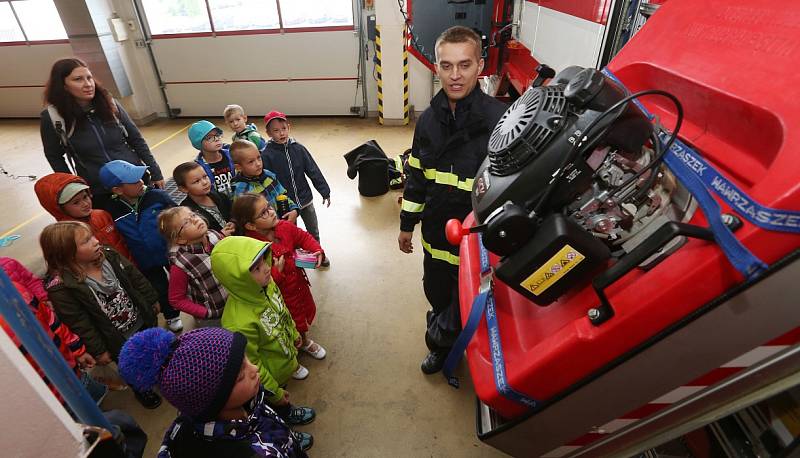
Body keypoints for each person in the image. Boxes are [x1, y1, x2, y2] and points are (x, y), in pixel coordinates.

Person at [398, 26, 508, 374]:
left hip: (476, 241)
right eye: (447, 66)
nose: (455, 75)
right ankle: (444, 332)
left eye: (464, 65)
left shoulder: (499, 120)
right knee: (436, 292)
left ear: (480, 66)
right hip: (435, 234)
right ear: (435, 67)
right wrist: (406, 225)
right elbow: (416, 175)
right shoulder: (428, 120)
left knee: (467, 302)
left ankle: (441, 347)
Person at [118, 327, 312, 457]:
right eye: (239, 377)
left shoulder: (248, 398)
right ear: (212, 401)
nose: (254, 370)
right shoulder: (238, 452)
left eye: (246, 360)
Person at [40, 221, 162, 408]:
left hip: (139, 319)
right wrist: (98, 350)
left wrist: (151, 298)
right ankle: (141, 388)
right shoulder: (62, 288)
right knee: (130, 364)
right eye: (86, 241)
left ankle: (160, 374)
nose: (96, 241)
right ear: (66, 253)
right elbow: (79, 322)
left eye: (93, 236)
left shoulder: (109, 255)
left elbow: (134, 276)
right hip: (114, 338)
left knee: (153, 350)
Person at [210, 236, 316, 425]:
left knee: (285, 396)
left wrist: (293, 332)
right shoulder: (238, 323)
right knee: (274, 409)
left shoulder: (266, 284)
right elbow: (253, 365)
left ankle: (286, 412)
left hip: (283, 363)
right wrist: (274, 393)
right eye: (256, 268)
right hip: (267, 380)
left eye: (263, 261)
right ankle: (286, 428)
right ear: (238, 279)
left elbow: (282, 309)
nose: (267, 268)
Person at [40, 57, 165, 198]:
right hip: (99, 190)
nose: (88, 84)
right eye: (78, 79)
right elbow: (54, 156)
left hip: (135, 180)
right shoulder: (53, 117)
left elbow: (136, 139)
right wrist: (73, 187)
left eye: (89, 78)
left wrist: (155, 172)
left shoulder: (110, 104)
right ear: (63, 85)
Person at [230, 194, 327, 361]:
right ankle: (290, 355)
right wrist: (276, 272)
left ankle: (303, 341)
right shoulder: (251, 248)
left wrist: (317, 250)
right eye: (263, 213)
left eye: (269, 206)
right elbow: (253, 282)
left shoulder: (284, 226)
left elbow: (302, 236)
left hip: (297, 285)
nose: (271, 212)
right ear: (251, 225)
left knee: (300, 314)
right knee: (283, 325)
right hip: (276, 298)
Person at [0, 257, 107, 405]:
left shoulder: (14, 286)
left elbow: (51, 321)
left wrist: (77, 350)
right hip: (46, 394)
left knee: (96, 400)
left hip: (67, 366)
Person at [98, 160, 183, 332]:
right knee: (159, 288)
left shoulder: (157, 196)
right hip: (143, 260)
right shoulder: (111, 209)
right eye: (134, 181)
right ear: (117, 190)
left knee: (182, 279)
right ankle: (172, 315)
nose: (141, 182)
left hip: (170, 251)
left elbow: (178, 214)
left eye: (140, 177)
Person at [262, 111, 331, 267]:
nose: (281, 133)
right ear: (268, 133)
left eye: (283, 128)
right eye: (276, 130)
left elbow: (313, 170)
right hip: (285, 205)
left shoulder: (298, 148)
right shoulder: (266, 154)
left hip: (306, 200)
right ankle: (295, 260)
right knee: (290, 234)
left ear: (289, 127)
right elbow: (266, 181)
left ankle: (318, 253)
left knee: (313, 231)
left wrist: (324, 191)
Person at [159, 207, 231, 327]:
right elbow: (176, 299)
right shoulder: (181, 263)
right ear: (180, 239)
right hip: (214, 318)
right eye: (186, 223)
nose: (195, 220)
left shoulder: (215, 235)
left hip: (235, 303)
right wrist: (206, 313)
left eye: (193, 215)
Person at [34, 172, 132, 261]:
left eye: (85, 197)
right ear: (60, 209)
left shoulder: (102, 214)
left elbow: (123, 242)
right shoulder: (66, 236)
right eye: (76, 202)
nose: (85, 204)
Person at [230, 140, 299, 223]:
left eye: (259, 157)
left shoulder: (269, 175)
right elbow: (245, 220)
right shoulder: (240, 191)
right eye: (251, 162)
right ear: (239, 167)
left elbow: (282, 195)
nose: (258, 164)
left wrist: (294, 209)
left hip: (282, 223)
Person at [173, 162, 232, 233]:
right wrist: (219, 235)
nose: (205, 182)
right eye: (197, 181)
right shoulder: (188, 212)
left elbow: (234, 213)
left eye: (205, 176)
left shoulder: (220, 196)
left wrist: (234, 222)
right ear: (183, 188)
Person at [189, 120, 235, 198]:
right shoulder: (199, 167)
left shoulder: (232, 154)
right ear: (198, 143)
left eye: (217, 135)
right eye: (210, 138)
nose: (216, 139)